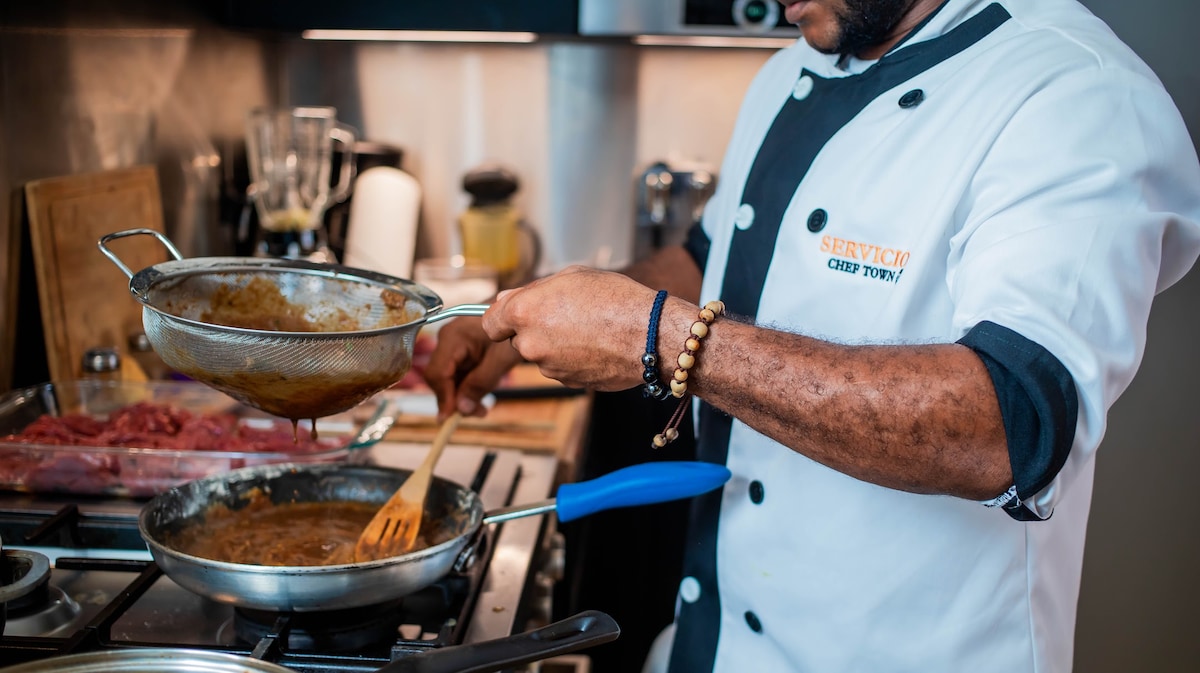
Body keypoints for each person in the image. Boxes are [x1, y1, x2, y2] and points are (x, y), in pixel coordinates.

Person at [423, 0, 1200, 670]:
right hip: (711, 640)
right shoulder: (788, 70)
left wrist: (655, 336)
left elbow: (1007, 425)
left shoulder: (1078, 96)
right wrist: (523, 317)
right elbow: (708, 260)